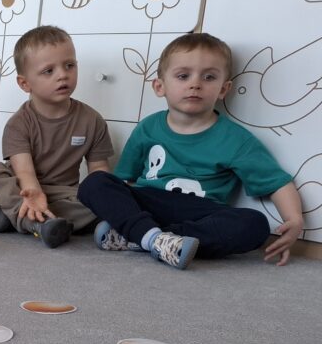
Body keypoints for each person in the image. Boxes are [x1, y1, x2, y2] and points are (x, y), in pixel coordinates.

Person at [79, 32, 304, 269]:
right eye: (183, 76)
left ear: (223, 89)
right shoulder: (147, 128)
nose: (195, 84)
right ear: (160, 86)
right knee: (95, 182)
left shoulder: (236, 139)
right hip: (151, 201)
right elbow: (123, 180)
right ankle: (150, 236)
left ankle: (146, 238)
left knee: (255, 224)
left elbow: (276, 182)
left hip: (200, 212)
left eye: (209, 77)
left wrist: (294, 219)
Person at [0, 25, 113, 248]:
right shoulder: (18, 124)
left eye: (69, 65)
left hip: (64, 193)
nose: (63, 75)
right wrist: (34, 194)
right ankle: (35, 221)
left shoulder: (92, 120)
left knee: (104, 199)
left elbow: (99, 171)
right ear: (25, 83)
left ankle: (13, 216)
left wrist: (107, 196)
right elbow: (24, 172)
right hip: (24, 188)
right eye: (49, 71)